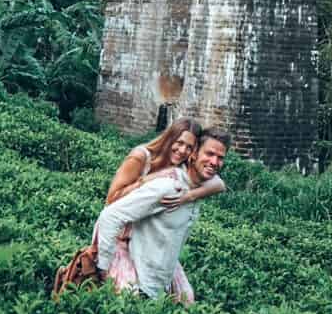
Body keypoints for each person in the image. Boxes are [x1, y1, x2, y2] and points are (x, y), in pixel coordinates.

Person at [93, 128, 230, 299]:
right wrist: (103, 270)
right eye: (209, 154)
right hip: (139, 281)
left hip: (162, 281)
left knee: (187, 302)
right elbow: (110, 215)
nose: (214, 162)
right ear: (193, 154)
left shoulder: (200, 187)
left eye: (220, 158)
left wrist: (190, 195)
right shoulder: (167, 187)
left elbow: (219, 184)